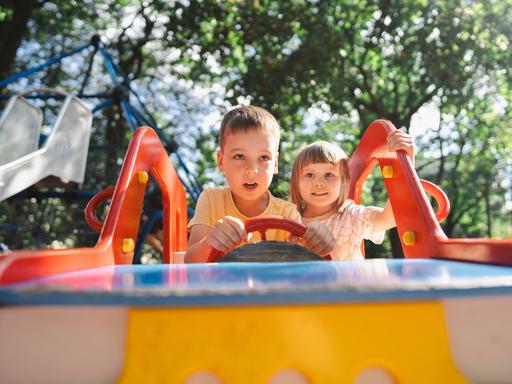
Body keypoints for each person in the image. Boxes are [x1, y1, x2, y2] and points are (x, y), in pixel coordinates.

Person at [185, 105, 335, 263]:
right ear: (221, 161)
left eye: (264, 158)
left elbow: (302, 267)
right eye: (239, 156)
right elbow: (190, 262)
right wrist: (210, 242)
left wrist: (316, 243)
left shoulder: (287, 213)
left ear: (275, 164)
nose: (252, 170)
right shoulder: (211, 199)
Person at [289, 130, 415, 261]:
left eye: (329, 175)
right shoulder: (289, 219)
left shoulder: (351, 216)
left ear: (343, 181)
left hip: (349, 281)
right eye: (309, 175)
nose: (319, 183)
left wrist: (407, 165)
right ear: (296, 181)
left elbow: (388, 219)